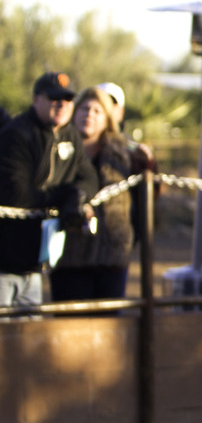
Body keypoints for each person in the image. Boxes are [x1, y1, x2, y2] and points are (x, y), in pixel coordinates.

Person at [0, 72, 99, 307]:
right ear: (36, 100)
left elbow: (89, 177)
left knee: (29, 335)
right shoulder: (17, 135)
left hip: (35, 264)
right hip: (4, 260)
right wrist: (64, 197)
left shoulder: (70, 135)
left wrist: (79, 195)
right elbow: (17, 195)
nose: (62, 104)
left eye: (67, 99)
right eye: (54, 98)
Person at [48, 87, 135, 301]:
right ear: (74, 113)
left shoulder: (125, 154)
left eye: (97, 111)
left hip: (111, 257)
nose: (90, 115)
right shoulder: (56, 149)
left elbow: (146, 199)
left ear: (107, 118)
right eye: (85, 109)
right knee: (69, 325)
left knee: (110, 325)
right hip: (68, 256)